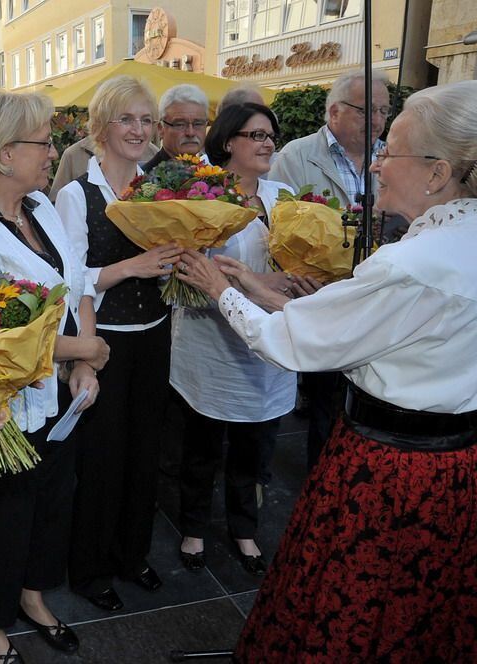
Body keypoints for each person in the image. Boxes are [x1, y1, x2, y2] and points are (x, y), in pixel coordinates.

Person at [177, 78, 477, 662]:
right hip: (472, 467)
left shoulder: (412, 263)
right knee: (425, 616)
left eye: (389, 150)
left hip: (397, 474)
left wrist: (220, 289)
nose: (375, 165)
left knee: (355, 610)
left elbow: (288, 344)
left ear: (438, 173)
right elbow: (366, 330)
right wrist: (260, 289)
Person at [0, 90, 108, 663]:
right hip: (5, 408)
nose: (53, 151)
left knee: (52, 507)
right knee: (5, 516)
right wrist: (84, 347)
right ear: (5, 153)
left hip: (62, 395)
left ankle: (34, 598)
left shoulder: (40, 206)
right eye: (43, 141)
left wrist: (83, 360)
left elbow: (78, 281)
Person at [54, 76, 178, 611]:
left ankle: (133, 555)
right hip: (102, 341)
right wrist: (135, 265)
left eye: (146, 120)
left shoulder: (161, 184)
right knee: (102, 460)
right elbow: (70, 278)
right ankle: (90, 569)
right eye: (127, 118)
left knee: (146, 452)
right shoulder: (75, 193)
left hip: (156, 334)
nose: (138, 129)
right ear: (101, 126)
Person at [172, 103, 297, 577]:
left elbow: (298, 260)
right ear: (228, 142)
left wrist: (299, 281)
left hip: (269, 346)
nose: (267, 144)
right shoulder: (200, 196)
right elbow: (186, 277)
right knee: (202, 448)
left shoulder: (284, 197)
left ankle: (245, 531)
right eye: (256, 135)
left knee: (256, 447)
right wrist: (245, 288)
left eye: (271, 136)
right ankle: (194, 529)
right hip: (212, 345)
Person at [268, 68, 390, 470]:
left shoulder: (391, 158)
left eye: (384, 111)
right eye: (366, 110)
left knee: (367, 398)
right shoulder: (296, 156)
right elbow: (280, 228)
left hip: (378, 294)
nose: (376, 120)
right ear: (334, 111)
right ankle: (322, 482)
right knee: (326, 401)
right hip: (320, 295)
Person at [142, 84, 210, 173]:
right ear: (160, 129)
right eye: (180, 125)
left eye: (198, 124)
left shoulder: (211, 176)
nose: (190, 132)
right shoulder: (145, 179)